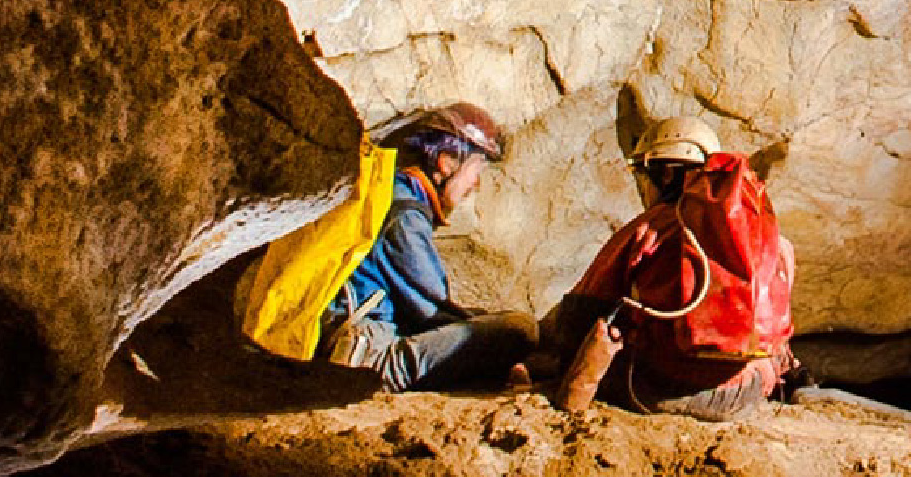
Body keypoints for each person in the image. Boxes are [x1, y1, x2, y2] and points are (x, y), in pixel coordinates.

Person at [548, 117, 797, 421]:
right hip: (747, 392)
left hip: (659, 392)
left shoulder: (650, 228)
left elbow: (581, 312)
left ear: (664, 174)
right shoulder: (771, 240)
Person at [319, 102, 537, 391]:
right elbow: (432, 311)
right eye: (476, 170)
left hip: (360, 341)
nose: (476, 184)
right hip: (369, 358)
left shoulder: (391, 193)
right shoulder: (404, 214)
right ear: (446, 162)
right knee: (519, 330)